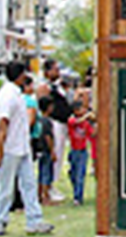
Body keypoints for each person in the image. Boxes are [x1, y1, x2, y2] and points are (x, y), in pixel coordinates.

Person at [0, 61, 54, 236]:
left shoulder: (17, 94)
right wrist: (0, 152)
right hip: (10, 148)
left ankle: (34, 220)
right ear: (20, 75)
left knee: (29, 184)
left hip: (22, 146)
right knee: (5, 186)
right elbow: (3, 124)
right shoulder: (7, 95)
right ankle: (0, 221)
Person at [40, 59, 73, 200]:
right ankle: (49, 185)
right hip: (55, 123)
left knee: (60, 154)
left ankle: (53, 182)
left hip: (64, 122)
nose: (57, 72)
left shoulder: (60, 86)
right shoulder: (45, 87)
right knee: (54, 153)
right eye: (55, 69)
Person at [67, 100, 94, 206]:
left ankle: (78, 197)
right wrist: (87, 116)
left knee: (80, 174)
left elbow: (91, 133)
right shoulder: (72, 120)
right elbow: (75, 122)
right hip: (74, 151)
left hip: (82, 151)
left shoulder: (86, 123)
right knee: (73, 173)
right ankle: (76, 191)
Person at [34, 96, 57, 205]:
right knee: (47, 173)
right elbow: (48, 137)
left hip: (40, 149)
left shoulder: (38, 119)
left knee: (41, 172)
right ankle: (46, 196)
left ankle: (39, 195)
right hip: (46, 150)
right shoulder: (47, 121)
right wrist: (52, 151)